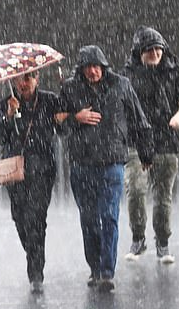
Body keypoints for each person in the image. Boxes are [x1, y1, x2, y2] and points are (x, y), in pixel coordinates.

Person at [56, 45, 153, 292]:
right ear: (81, 69)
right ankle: (95, 268)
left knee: (109, 217)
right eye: (88, 67)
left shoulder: (121, 85)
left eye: (96, 66)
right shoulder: (69, 88)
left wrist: (146, 152)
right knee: (88, 220)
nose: (92, 71)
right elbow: (58, 125)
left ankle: (107, 271)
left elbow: (139, 119)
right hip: (82, 164)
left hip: (112, 163)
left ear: (103, 66)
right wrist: (74, 118)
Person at [121, 26, 179, 264]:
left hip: (166, 140)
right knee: (136, 190)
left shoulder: (174, 72)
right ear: (139, 53)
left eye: (158, 49)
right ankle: (138, 238)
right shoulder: (128, 76)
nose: (154, 53)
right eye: (149, 49)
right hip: (136, 141)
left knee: (163, 196)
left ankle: (162, 242)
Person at [0, 71, 62, 294]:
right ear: (13, 81)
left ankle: (36, 272)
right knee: (20, 218)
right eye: (20, 79)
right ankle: (33, 253)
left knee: (36, 218)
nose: (24, 83)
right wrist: (9, 116)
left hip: (42, 170)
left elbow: (64, 130)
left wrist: (62, 118)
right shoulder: (6, 103)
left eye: (29, 77)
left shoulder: (50, 100)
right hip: (16, 171)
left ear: (37, 78)